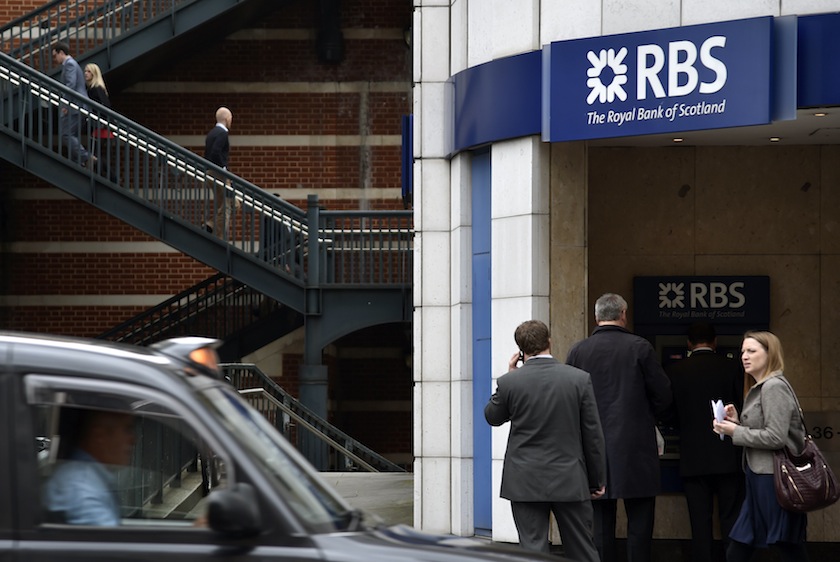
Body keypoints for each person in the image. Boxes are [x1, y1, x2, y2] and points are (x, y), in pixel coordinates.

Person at [485, 320, 605, 561]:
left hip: (525, 480)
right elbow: (592, 435)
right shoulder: (578, 379)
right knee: (582, 548)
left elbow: (492, 417)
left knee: (533, 550)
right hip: (569, 478)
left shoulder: (510, 382)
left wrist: (509, 378)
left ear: (521, 351)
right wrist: (596, 480)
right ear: (549, 341)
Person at [566, 293, 673, 562]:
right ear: (623, 314)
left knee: (600, 525)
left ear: (596, 317)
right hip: (636, 448)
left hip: (593, 449)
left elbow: (570, 399)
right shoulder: (640, 347)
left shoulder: (578, 351)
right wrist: (647, 417)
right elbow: (663, 394)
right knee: (640, 521)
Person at [712, 331, 809, 562]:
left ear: (770, 354)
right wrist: (737, 423)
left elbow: (775, 437)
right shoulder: (760, 387)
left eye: (752, 351)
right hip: (759, 477)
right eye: (743, 351)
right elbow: (764, 431)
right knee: (741, 545)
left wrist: (735, 432)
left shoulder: (773, 387)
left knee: (786, 545)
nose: (744, 356)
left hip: (775, 480)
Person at [665, 323, 745, 562]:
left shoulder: (675, 370)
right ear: (715, 341)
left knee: (700, 522)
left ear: (689, 344)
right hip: (728, 456)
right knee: (731, 518)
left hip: (693, 457)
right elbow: (743, 406)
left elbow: (667, 411)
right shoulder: (732, 367)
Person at [43, 409, 136, 526]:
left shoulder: (86, 477)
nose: (133, 440)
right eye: (127, 429)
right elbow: (108, 536)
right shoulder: (82, 489)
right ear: (100, 436)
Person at [52, 42, 93, 167]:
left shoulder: (69, 64)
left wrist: (65, 104)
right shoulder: (71, 64)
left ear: (61, 53)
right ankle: (80, 160)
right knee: (70, 134)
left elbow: (70, 85)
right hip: (78, 105)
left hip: (76, 105)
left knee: (66, 134)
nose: (55, 59)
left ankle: (85, 157)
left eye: (55, 55)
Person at [84, 63, 117, 182]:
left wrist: (104, 122)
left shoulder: (96, 89)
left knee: (96, 154)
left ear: (94, 74)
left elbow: (105, 107)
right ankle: (108, 177)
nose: (86, 73)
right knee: (95, 154)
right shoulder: (93, 89)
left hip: (102, 127)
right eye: (85, 71)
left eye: (88, 71)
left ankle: (112, 178)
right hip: (99, 126)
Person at [204, 106, 234, 236]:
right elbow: (216, 152)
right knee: (227, 205)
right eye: (231, 118)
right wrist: (224, 169)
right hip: (218, 174)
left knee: (233, 204)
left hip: (210, 173)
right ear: (226, 119)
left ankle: (212, 225)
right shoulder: (223, 133)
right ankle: (218, 234)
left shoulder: (211, 133)